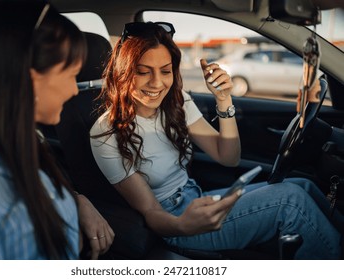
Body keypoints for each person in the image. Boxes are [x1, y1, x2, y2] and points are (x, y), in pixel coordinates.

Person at [90, 21, 343, 259]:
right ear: (123, 73)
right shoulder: (105, 133)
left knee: (302, 185)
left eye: (165, 71)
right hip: (175, 224)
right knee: (291, 201)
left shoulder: (177, 102)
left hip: (198, 197)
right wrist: (182, 224)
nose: (157, 83)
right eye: (143, 72)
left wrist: (224, 100)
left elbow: (228, 157)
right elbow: (150, 212)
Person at [0, 0, 114, 260]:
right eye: (70, 75)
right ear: (27, 76)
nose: (74, 90)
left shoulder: (17, 138)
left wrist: (75, 200)